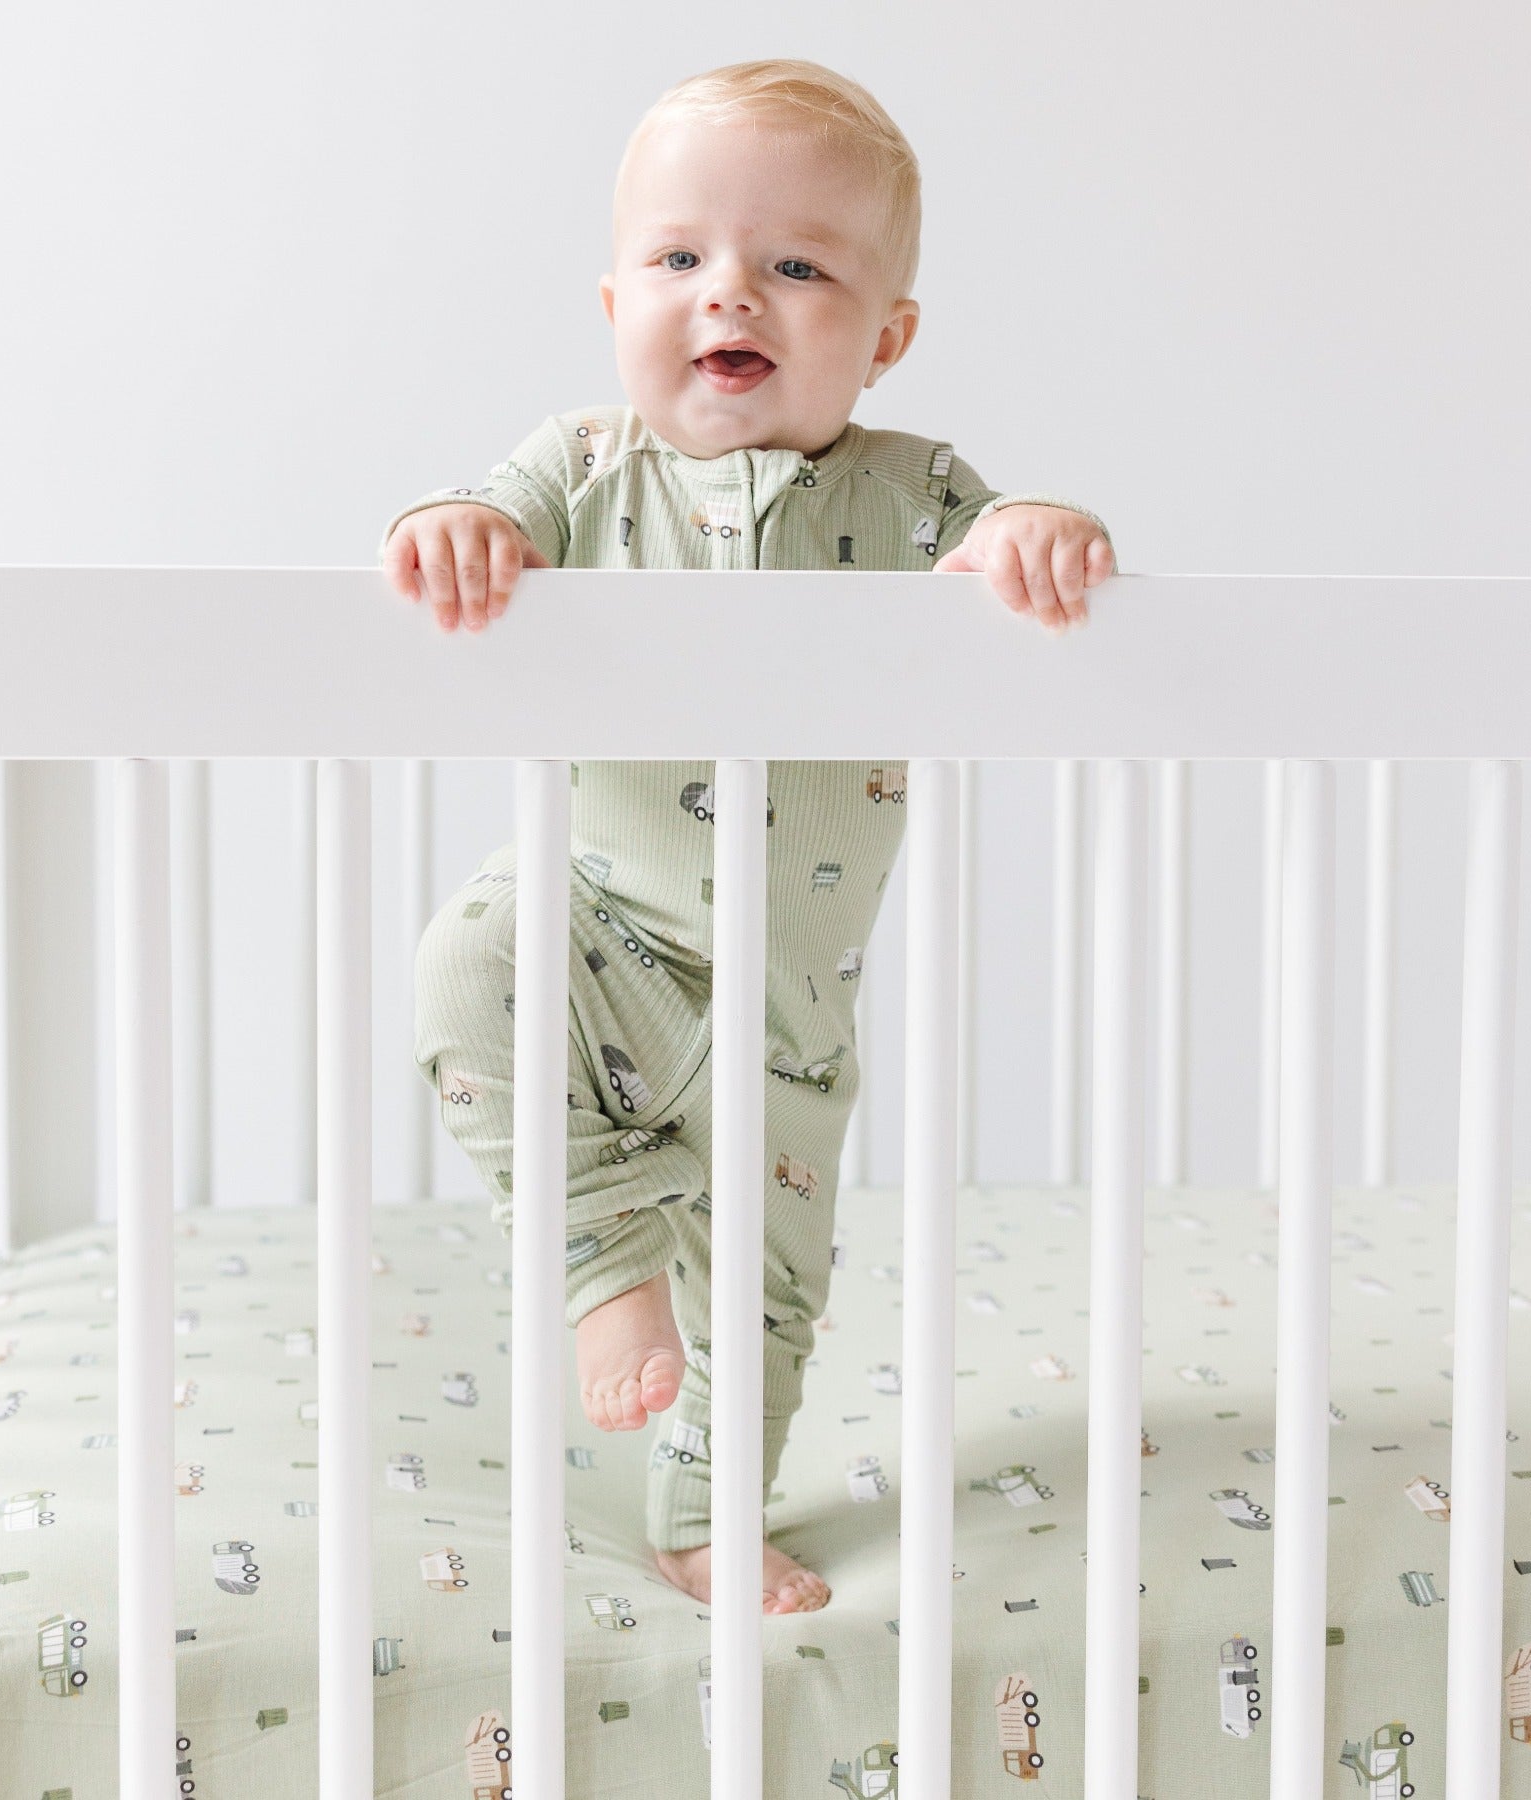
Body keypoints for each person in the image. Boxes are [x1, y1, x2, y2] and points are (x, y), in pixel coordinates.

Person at [378, 58, 1115, 1615]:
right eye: (680, 257)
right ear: (615, 304)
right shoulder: (583, 468)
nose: (732, 293)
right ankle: (605, 1262)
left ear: (886, 336)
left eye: (797, 266)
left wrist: (1035, 532)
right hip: (602, 933)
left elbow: (1000, 548)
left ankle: (709, 1513)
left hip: (784, 1003)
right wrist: (451, 527)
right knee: (463, 965)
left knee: (771, 1278)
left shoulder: (914, 491)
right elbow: (477, 521)